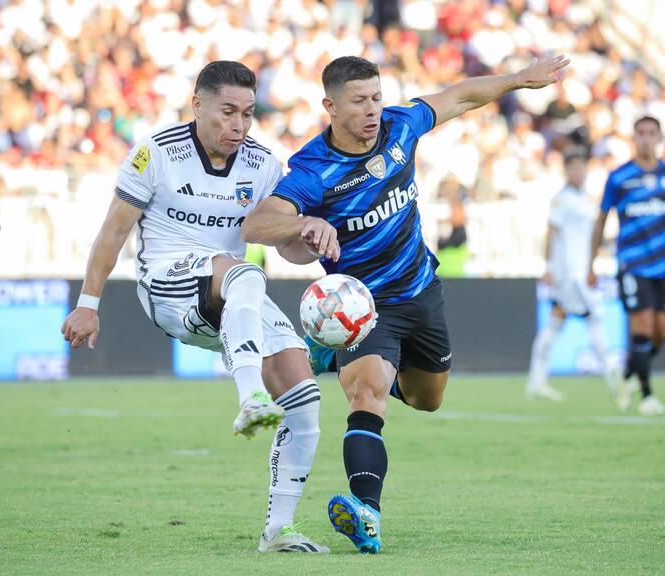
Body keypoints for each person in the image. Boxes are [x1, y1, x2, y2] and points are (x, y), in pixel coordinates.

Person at [242, 54, 569, 553]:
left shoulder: (400, 125)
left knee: (425, 398)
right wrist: (305, 224)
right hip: (364, 307)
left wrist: (515, 81)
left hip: (422, 293)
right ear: (330, 106)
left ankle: (351, 362)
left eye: (376, 97)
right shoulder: (314, 169)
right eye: (359, 101)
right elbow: (257, 225)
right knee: (368, 394)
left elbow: (458, 96)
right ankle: (367, 513)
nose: (372, 110)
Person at [61, 61, 327, 552]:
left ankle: (278, 530)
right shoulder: (156, 154)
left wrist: (307, 235)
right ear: (197, 104)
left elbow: (284, 245)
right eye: (228, 112)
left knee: (305, 400)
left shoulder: (263, 164)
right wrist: (88, 304)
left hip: (231, 294)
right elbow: (114, 231)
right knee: (247, 274)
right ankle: (249, 398)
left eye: (247, 114)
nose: (239, 126)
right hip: (165, 282)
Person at [527, 148, 624, 406]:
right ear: (567, 171)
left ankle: (536, 383)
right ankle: (616, 384)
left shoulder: (587, 199)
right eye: (574, 168)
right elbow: (552, 232)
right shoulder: (562, 199)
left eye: (582, 168)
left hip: (583, 272)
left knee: (555, 324)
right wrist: (548, 266)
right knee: (595, 320)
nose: (578, 172)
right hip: (570, 275)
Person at [589, 116, 665, 416]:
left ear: (658, 138)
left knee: (660, 331)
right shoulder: (619, 177)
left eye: (651, 133)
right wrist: (591, 262)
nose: (646, 138)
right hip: (633, 265)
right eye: (641, 133)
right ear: (634, 138)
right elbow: (601, 219)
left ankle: (627, 374)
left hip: (663, 266)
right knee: (643, 327)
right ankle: (647, 396)